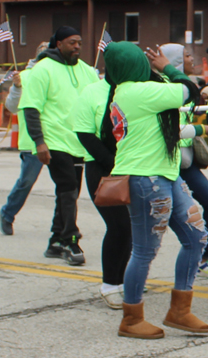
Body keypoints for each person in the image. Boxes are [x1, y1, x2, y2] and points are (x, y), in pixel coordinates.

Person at [103, 41, 208, 339]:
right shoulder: (135, 91)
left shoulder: (137, 93)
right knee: (144, 250)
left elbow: (173, 130)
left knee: (196, 237)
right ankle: (131, 319)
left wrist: (204, 130)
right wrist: (167, 66)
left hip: (165, 174)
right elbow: (189, 90)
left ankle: (179, 310)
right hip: (146, 178)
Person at [20, 26, 99, 265]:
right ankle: (70, 240)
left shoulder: (88, 71)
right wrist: (39, 142)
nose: (77, 47)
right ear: (59, 44)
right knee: (68, 188)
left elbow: (99, 101)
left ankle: (55, 241)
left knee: (69, 192)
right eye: (72, 42)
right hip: (53, 140)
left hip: (79, 142)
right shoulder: (42, 69)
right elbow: (31, 108)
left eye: (79, 43)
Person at [152, 43, 208, 279]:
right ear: (172, 61)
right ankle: (127, 274)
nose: (192, 58)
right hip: (165, 161)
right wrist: (203, 128)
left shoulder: (182, 84)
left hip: (186, 162)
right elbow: (173, 126)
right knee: (153, 220)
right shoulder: (164, 87)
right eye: (185, 55)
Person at [73, 72, 132, 309]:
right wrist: (112, 162)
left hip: (132, 164)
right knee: (118, 226)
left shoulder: (136, 89)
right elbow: (85, 133)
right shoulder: (92, 92)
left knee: (131, 228)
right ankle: (110, 285)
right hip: (102, 165)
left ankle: (123, 280)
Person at [0, 42, 48, 235]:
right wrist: (17, 88)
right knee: (27, 181)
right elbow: (12, 107)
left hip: (59, 139)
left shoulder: (58, 75)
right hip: (33, 141)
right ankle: (7, 214)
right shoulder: (24, 77)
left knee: (66, 187)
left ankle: (62, 229)